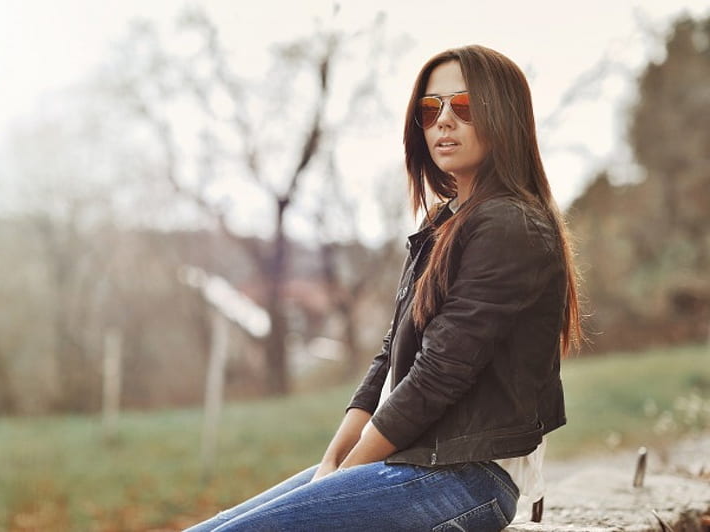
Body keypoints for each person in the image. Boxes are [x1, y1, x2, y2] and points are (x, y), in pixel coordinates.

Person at [185, 44, 581, 532]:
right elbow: (389, 360)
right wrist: (333, 463)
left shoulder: (510, 225)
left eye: (464, 106)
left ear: (504, 115)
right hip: (412, 460)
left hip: (466, 478)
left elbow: (438, 374)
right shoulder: (443, 223)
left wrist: (346, 475)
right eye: (429, 109)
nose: (443, 121)